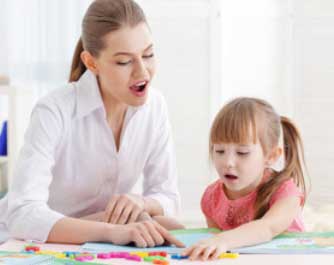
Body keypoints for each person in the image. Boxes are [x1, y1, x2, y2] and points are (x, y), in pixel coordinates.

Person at [0, 0, 184, 248]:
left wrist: (140, 202)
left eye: (148, 54)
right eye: (124, 62)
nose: (143, 72)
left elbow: (169, 198)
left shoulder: (155, 107)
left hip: (95, 245)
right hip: (25, 243)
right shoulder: (55, 110)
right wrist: (111, 231)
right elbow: (22, 214)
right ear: (91, 62)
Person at [183, 97, 308, 260]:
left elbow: (267, 228)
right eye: (219, 151)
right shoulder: (211, 198)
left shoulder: (286, 191)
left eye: (242, 153)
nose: (228, 163)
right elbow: (216, 248)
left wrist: (223, 240)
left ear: (270, 156)